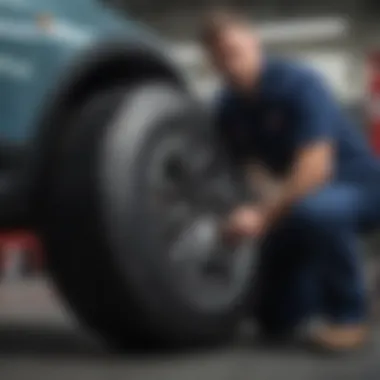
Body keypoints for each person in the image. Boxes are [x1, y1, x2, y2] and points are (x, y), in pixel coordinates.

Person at [199, 8, 380, 353]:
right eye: (220, 60)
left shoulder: (299, 83)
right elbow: (245, 168)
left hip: (361, 187)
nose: (230, 66)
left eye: (235, 52)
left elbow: (316, 169)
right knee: (274, 320)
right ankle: (317, 291)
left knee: (317, 211)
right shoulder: (228, 107)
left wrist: (264, 217)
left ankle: (349, 316)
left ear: (255, 43)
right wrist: (242, 214)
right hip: (302, 201)